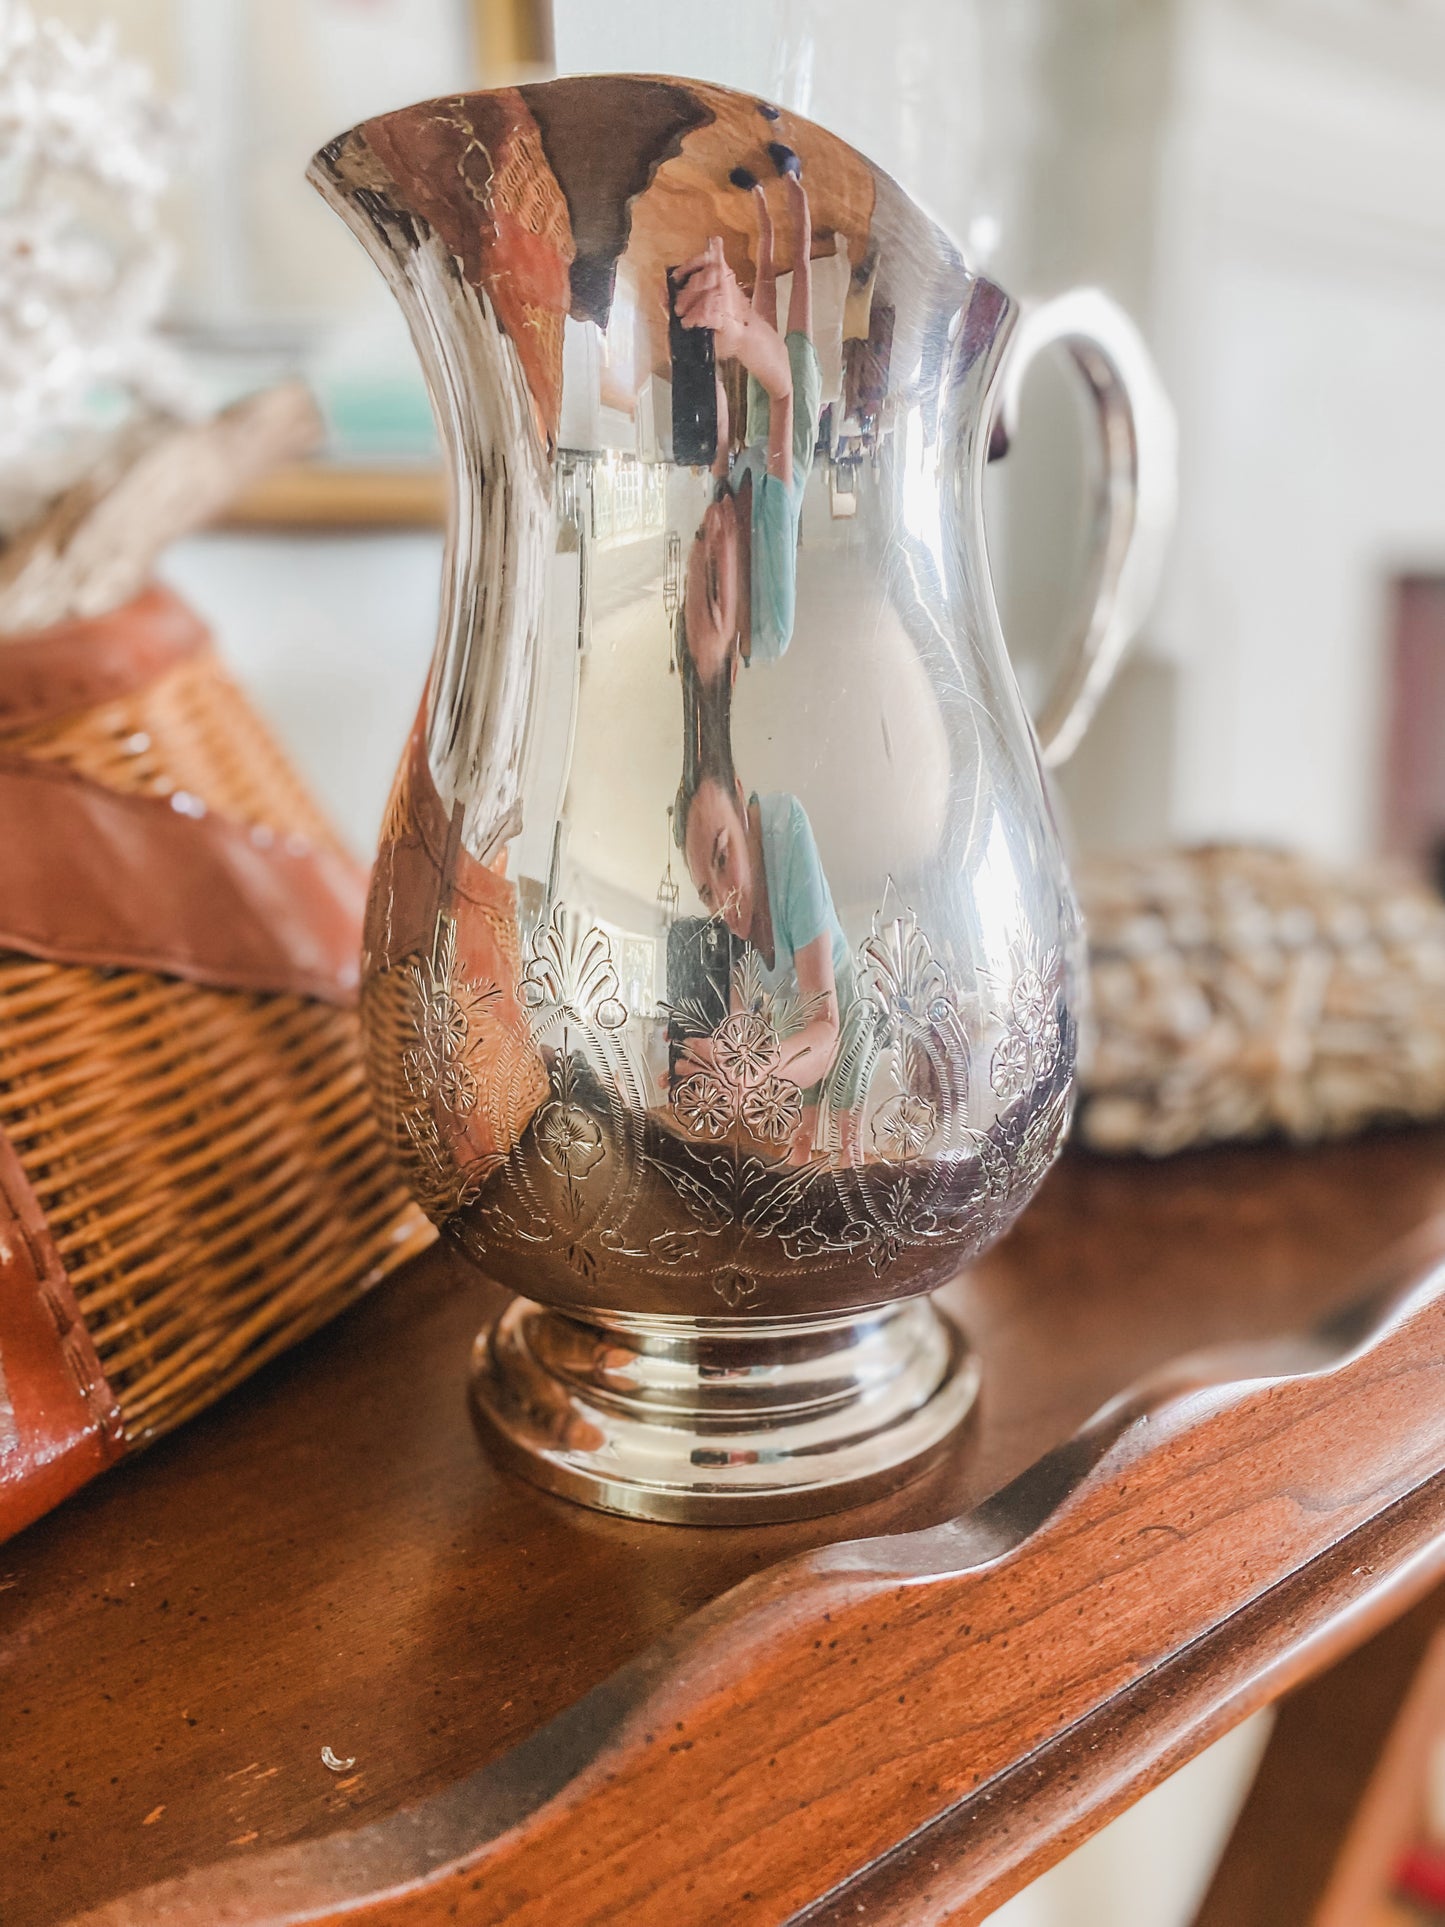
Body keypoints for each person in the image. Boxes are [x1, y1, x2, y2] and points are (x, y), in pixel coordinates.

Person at [673, 155, 821, 688]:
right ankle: (794, 181)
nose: (709, 530)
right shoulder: (769, 627)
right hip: (790, 429)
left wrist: (705, 359)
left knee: (762, 277)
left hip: (762, 432)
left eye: (697, 540)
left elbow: (720, 437)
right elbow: (784, 397)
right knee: (798, 272)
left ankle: (761, 199)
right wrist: (742, 334)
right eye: (715, 588)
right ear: (735, 662)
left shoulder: (720, 511)